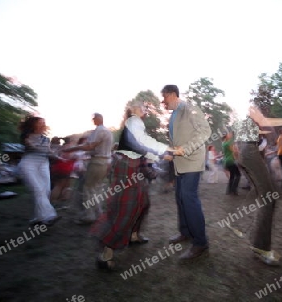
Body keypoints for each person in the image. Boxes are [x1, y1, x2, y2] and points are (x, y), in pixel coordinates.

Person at [90, 101, 173, 269]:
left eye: (143, 108)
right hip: (127, 169)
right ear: (133, 111)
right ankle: (106, 254)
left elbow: (140, 153)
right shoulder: (134, 122)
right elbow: (142, 147)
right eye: (141, 107)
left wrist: (151, 170)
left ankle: (134, 235)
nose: (144, 110)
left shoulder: (135, 125)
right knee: (126, 210)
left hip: (132, 167)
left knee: (143, 203)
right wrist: (163, 155)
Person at [234, 108, 282, 265]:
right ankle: (261, 247)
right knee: (269, 197)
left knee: (264, 194)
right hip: (249, 153)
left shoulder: (251, 126)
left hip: (248, 154)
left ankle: (242, 227)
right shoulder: (252, 114)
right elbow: (268, 122)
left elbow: (264, 129)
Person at [161, 84, 212, 261]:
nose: (163, 101)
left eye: (165, 97)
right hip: (179, 163)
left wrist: (186, 149)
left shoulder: (190, 108)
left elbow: (205, 131)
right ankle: (185, 232)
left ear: (172, 94)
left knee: (189, 198)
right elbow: (178, 141)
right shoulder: (174, 114)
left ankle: (200, 242)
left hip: (192, 162)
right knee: (180, 198)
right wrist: (170, 153)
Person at [62, 113, 113, 224]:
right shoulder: (108, 132)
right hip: (104, 162)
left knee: (88, 188)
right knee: (95, 188)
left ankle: (89, 215)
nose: (93, 120)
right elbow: (96, 149)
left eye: (94, 119)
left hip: (97, 162)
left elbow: (90, 146)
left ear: (99, 119)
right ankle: (98, 212)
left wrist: (72, 149)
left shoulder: (99, 130)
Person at [18, 116, 61, 226]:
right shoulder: (26, 136)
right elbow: (33, 146)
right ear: (33, 124)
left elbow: (49, 152)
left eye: (44, 122)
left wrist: (60, 157)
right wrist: (46, 150)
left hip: (43, 164)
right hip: (29, 163)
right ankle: (50, 215)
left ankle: (38, 218)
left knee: (46, 190)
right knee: (38, 189)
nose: (43, 124)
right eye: (40, 122)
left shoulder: (46, 139)